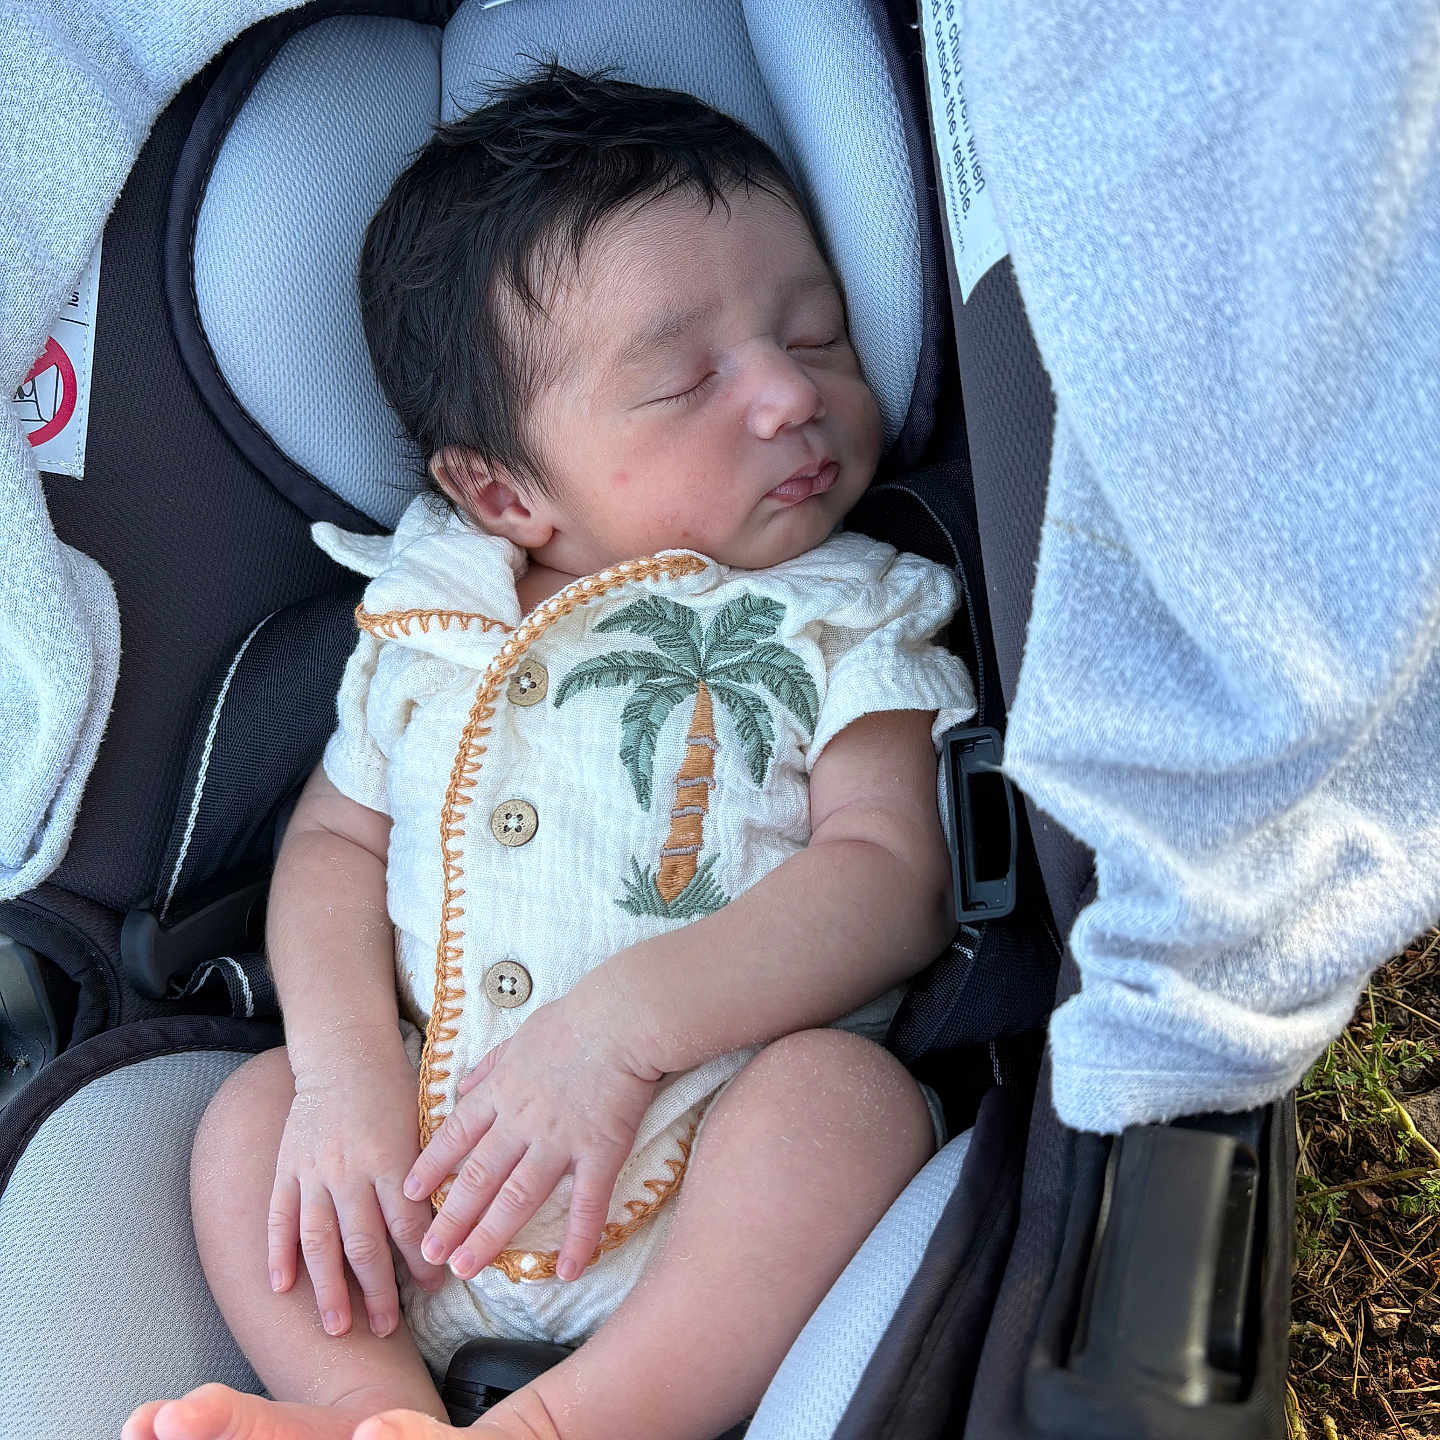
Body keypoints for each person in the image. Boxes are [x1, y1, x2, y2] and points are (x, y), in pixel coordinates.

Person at [124, 65, 974, 1440]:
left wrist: (627, 1032)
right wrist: (345, 1080)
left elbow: (893, 877)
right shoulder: (429, 619)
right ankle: (365, 1405)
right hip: (417, 1177)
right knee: (249, 1120)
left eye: (817, 337)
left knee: (848, 1109)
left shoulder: (847, 606)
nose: (786, 397)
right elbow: (336, 847)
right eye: (690, 378)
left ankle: (570, 1424)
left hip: (710, 1180)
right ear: (504, 492)